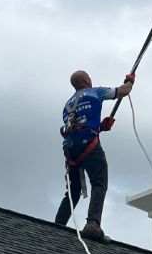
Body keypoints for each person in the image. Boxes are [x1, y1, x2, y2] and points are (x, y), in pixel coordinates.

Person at [54, 69, 134, 241]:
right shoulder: (96, 92)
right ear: (87, 80)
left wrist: (100, 127)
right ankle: (93, 224)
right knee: (99, 182)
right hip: (89, 145)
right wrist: (130, 81)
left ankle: (57, 225)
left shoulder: (67, 105)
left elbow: (79, 125)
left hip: (71, 150)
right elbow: (124, 91)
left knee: (73, 191)